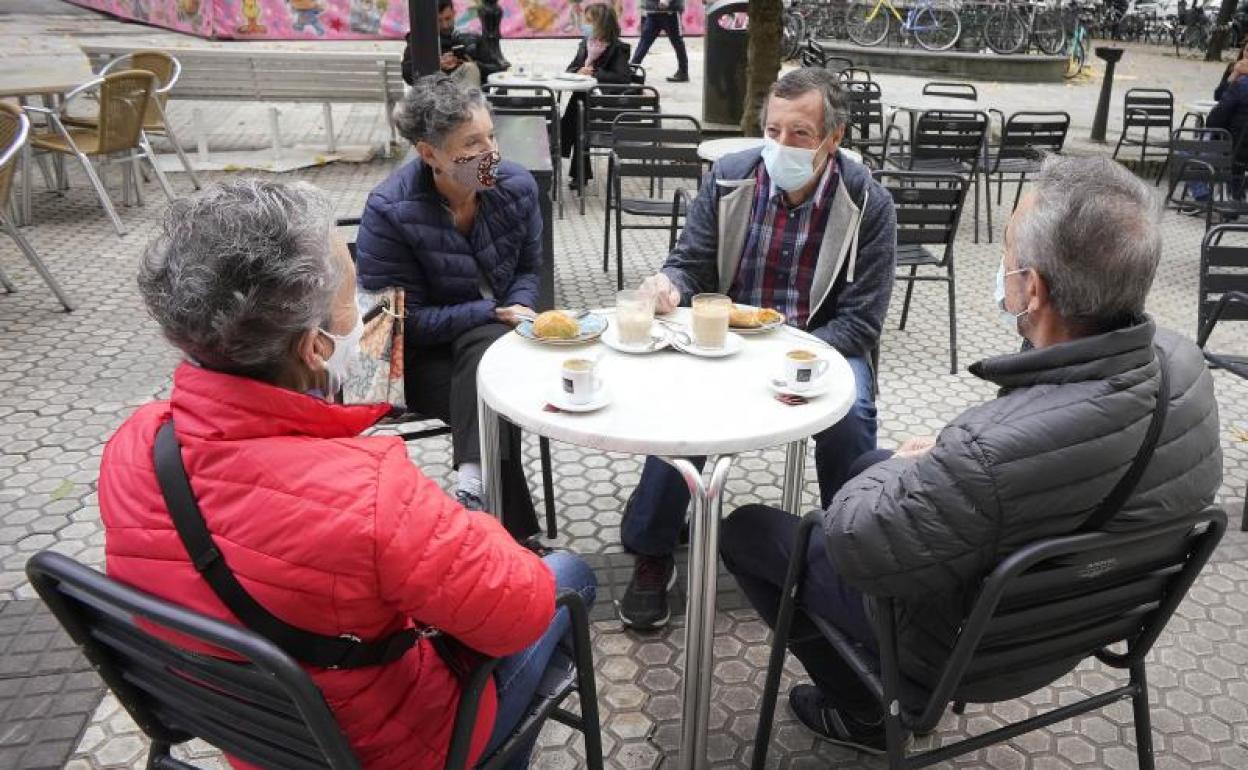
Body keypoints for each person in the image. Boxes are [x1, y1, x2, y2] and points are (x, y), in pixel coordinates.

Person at [719, 155, 1223, 755]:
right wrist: (917, 468)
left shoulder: (988, 450)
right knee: (860, 466)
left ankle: (864, 713)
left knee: (749, 531)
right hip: (1091, 618)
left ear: (1032, 290)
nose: (1003, 271)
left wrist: (914, 466)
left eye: (1008, 256)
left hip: (970, 651)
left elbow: (857, 546)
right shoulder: (1184, 366)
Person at [99, 178, 597, 770]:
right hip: (387, 748)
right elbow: (520, 615)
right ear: (314, 348)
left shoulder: (135, 443)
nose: (367, 312)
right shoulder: (372, 492)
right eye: (354, 293)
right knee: (567, 576)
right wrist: (472, 530)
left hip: (252, 735)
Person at [614, 67, 897, 631]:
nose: (781, 146)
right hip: (731, 337)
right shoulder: (730, 177)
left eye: (800, 134)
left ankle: (851, 556)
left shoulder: (868, 202)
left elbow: (862, 322)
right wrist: (670, 283)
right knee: (683, 404)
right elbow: (692, 261)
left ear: (833, 139)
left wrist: (787, 356)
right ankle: (652, 549)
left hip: (822, 345)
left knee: (852, 414)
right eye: (773, 130)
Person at [355, 75, 546, 543]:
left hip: (492, 344)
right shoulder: (389, 210)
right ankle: (512, 537)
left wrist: (517, 304)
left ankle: (479, 502)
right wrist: (490, 312)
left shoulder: (515, 186)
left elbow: (529, 267)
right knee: (495, 393)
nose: (491, 154)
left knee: (490, 364)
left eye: (491, 137)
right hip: (419, 360)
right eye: (472, 144)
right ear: (429, 154)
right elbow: (399, 325)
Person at [559, 3, 633, 190]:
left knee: (577, 114)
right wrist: (580, 70)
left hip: (606, 107)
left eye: (589, 21)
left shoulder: (618, 48)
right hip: (586, 103)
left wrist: (593, 73)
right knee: (579, 112)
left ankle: (560, 142)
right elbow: (570, 69)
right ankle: (579, 172)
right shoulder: (585, 45)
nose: (585, 24)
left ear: (602, 23)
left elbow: (623, 78)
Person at [401, 0, 481, 88]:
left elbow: (490, 68)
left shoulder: (465, 36)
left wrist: (465, 59)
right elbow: (407, 74)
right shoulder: (420, 40)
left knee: (470, 68)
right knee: (470, 69)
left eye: (448, 18)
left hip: (460, 90)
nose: (445, 25)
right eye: (439, 21)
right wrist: (436, 65)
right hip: (433, 91)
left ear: (454, 13)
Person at [630, 0, 690, 83]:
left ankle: (683, 72)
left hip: (670, 12)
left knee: (677, 42)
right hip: (653, 11)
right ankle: (632, 68)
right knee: (644, 41)